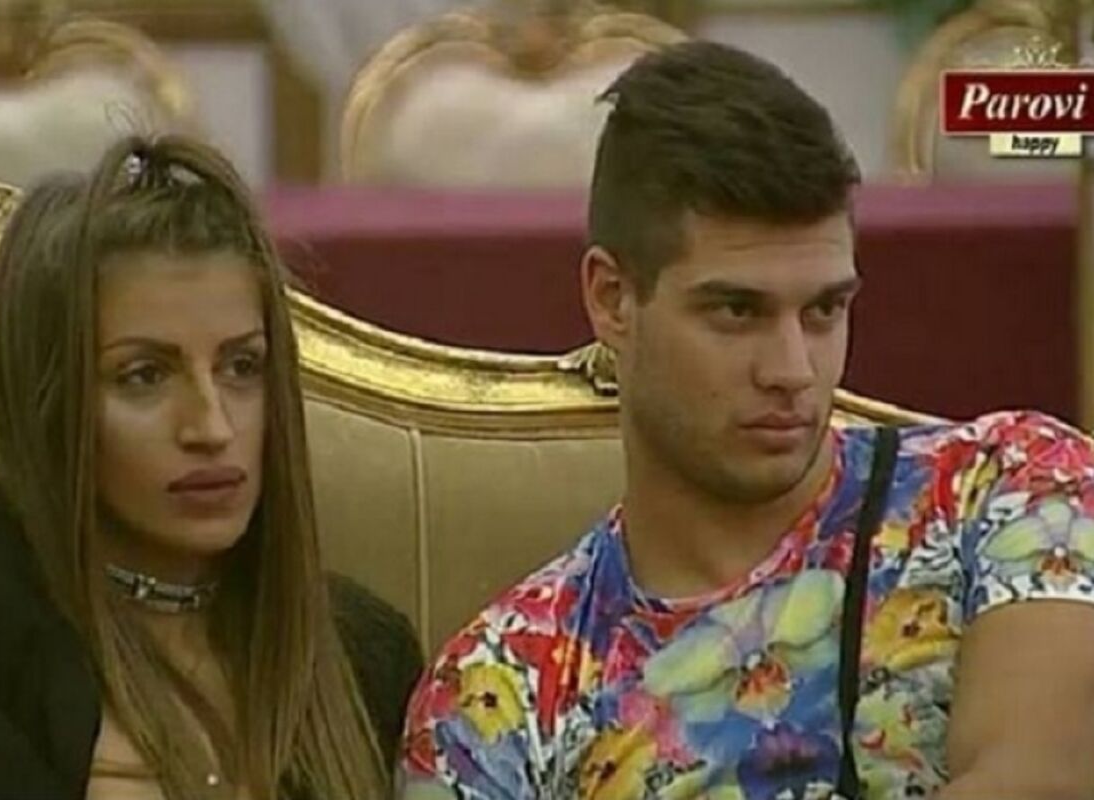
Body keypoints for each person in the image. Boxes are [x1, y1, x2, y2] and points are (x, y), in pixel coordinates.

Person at [398, 41, 1094, 800]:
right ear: (612, 299)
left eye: (824, 310)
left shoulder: (1012, 489)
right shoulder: (501, 694)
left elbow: (1043, 781)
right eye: (736, 311)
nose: (792, 369)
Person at [0, 135, 423, 799]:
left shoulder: (363, 652)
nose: (212, 428)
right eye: (143, 375)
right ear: (49, 400)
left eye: (242, 367)